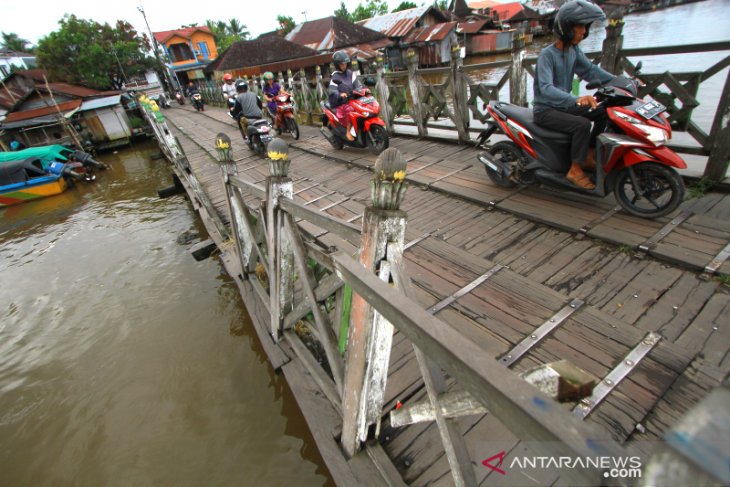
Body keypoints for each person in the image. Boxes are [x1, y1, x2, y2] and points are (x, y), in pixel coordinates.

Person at [532, 0, 616, 190]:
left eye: (585, 27)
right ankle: (575, 170)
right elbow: (545, 88)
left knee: (603, 112)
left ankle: (588, 154)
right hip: (546, 109)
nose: (583, 32)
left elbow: (591, 71)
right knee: (582, 124)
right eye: (579, 27)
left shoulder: (573, 51)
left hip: (564, 106)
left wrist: (620, 81)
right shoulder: (547, 55)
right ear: (566, 27)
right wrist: (576, 99)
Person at [328, 50, 363, 141]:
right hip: (341, 103)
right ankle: (348, 131)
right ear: (337, 65)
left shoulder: (351, 74)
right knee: (351, 110)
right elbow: (332, 91)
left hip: (353, 100)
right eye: (342, 64)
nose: (344, 66)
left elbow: (358, 85)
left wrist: (363, 90)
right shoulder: (335, 77)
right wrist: (340, 94)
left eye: (345, 64)